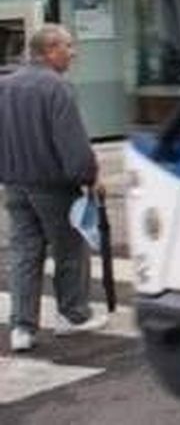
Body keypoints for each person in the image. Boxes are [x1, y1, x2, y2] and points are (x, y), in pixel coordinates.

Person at [0, 24, 106, 352]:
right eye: (68, 46)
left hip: (14, 183)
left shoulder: (5, 85)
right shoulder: (57, 87)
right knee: (70, 248)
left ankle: (22, 327)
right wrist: (89, 177)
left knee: (24, 253)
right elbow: (72, 142)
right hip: (53, 185)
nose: (73, 53)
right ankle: (72, 315)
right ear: (49, 51)